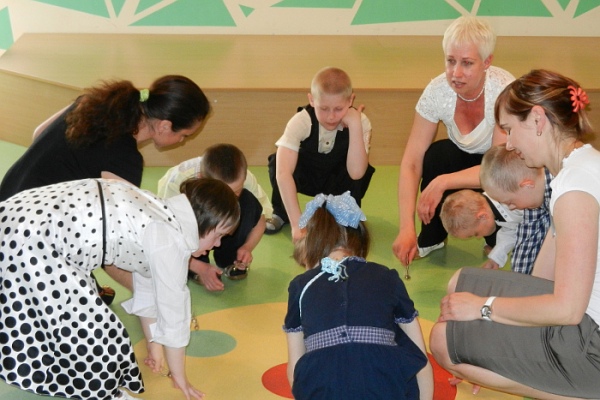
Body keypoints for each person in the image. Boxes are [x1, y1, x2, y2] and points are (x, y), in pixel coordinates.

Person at [429, 69, 600, 399]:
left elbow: (567, 310)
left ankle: (579, 392)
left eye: (509, 129)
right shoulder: (575, 167)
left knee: (442, 340)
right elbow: (541, 278)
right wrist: (494, 346)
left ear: (537, 120)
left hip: (590, 342)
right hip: (581, 318)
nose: (508, 143)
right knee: (459, 283)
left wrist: (484, 309)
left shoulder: (575, 190)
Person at [0, 177, 240, 400]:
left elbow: (147, 289)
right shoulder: (170, 239)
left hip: (18, 216)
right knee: (94, 330)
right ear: (203, 222)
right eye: (218, 235)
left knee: (66, 317)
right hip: (35, 239)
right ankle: (106, 394)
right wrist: (180, 377)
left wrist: (154, 346)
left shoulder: (158, 212)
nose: (217, 245)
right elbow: (174, 314)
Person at [0, 75, 210, 303]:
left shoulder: (91, 103)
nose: (182, 141)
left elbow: (38, 133)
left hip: (9, 198)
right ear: (164, 126)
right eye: (184, 135)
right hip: (24, 238)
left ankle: (78, 278)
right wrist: (158, 297)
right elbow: (114, 244)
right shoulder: (123, 159)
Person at [284, 192, 433, 399]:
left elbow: (295, 368)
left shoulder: (300, 285)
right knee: (396, 332)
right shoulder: (386, 276)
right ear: (360, 244)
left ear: (312, 246)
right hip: (382, 385)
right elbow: (421, 359)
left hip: (323, 387)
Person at [392, 16, 515, 266]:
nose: (456, 73)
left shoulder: (503, 91)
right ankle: (433, 234)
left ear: (487, 62)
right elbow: (412, 162)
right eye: (450, 61)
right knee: (436, 155)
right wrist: (405, 227)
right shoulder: (437, 91)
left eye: (467, 63)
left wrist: (442, 182)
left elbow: (497, 168)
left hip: (502, 169)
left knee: (496, 224)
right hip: (466, 162)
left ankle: (494, 232)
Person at [266, 66, 375, 242]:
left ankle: (345, 216)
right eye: (324, 108)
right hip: (308, 177)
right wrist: (297, 224)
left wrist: (355, 125)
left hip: (336, 180)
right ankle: (282, 213)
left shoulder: (361, 122)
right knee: (277, 162)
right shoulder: (301, 121)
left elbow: (356, 173)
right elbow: (283, 173)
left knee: (361, 169)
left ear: (350, 100)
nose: (331, 116)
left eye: (338, 109)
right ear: (312, 100)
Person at [157, 143, 268, 290]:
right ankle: (193, 261)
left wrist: (247, 247)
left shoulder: (245, 179)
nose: (229, 198)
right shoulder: (176, 184)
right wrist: (198, 266)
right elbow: (167, 238)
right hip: (183, 227)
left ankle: (230, 257)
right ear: (201, 178)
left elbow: (260, 218)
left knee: (248, 201)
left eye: (235, 192)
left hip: (220, 223)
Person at [479, 144, 552, 274]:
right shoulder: (532, 201)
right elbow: (528, 238)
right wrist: (518, 279)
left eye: (510, 202)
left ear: (527, 185)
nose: (512, 208)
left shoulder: (564, 193)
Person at [440, 189, 523, 269]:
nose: (479, 237)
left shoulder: (513, 202)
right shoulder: (494, 210)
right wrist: (495, 260)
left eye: (476, 233)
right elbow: (511, 230)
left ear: (482, 216)